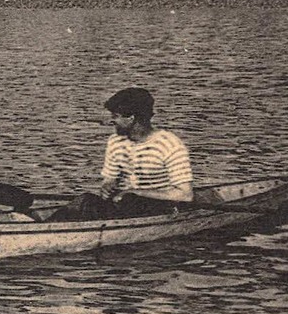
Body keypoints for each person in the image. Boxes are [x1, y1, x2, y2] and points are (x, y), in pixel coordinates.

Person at [51, 87, 193, 221]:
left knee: (94, 201)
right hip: (124, 204)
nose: (112, 120)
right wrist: (107, 186)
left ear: (131, 118)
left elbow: (186, 195)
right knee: (87, 200)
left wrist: (135, 192)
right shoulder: (115, 141)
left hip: (160, 207)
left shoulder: (169, 144)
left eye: (116, 116)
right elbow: (110, 179)